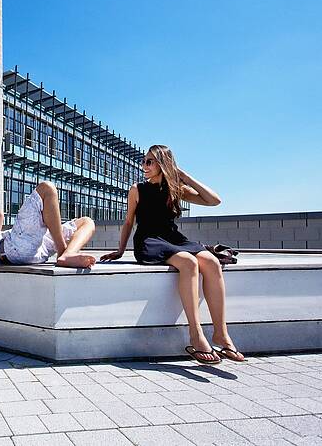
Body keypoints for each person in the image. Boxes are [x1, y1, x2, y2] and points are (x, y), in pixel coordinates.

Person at [101, 144, 245, 364]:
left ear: (163, 163)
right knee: (188, 262)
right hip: (149, 240)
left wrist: (186, 177)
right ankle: (196, 335)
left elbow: (214, 200)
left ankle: (221, 333)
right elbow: (129, 221)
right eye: (144, 161)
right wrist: (120, 250)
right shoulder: (137, 189)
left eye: (150, 161)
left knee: (212, 262)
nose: (144, 165)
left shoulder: (176, 188)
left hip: (174, 238)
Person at [0, 181, 96, 268]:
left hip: (36, 249)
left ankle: (68, 254)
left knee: (87, 222)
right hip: (13, 247)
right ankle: (62, 250)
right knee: (47, 189)